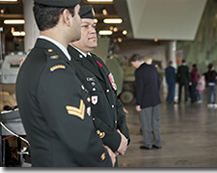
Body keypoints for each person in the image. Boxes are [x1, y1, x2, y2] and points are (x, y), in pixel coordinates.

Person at [15, 0, 115, 167]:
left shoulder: (36, 60)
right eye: (77, 14)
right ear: (67, 17)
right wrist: (104, 158)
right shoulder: (55, 69)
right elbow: (78, 137)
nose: (79, 20)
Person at [67, 5, 130, 164]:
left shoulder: (96, 62)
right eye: (85, 26)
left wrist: (123, 136)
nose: (92, 30)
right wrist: (112, 140)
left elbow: (114, 101)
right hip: (92, 151)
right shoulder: (67, 64)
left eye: (93, 26)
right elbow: (79, 114)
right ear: (72, 29)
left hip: (111, 151)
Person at [129, 54, 162, 150]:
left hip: (145, 102)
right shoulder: (152, 68)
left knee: (145, 124)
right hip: (155, 99)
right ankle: (158, 143)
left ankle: (148, 145)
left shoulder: (139, 72)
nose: (133, 66)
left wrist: (138, 103)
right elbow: (158, 82)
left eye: (132, 64)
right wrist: (155, 93)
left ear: (136, 61)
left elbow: (140, 89)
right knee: (156, 123)